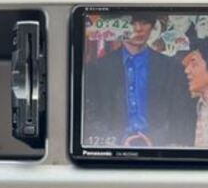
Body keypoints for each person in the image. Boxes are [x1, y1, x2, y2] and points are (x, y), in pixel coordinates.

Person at [83, 14, 194, 147]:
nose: (138, 29)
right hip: (115, 148)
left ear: (152, 26)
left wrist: (157, 143)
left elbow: (181, 116)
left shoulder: (172, 67)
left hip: (160, 148)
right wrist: (118, 141)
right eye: (131, 23)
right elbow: (89, 116)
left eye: (144, 22)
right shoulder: (98, 68)